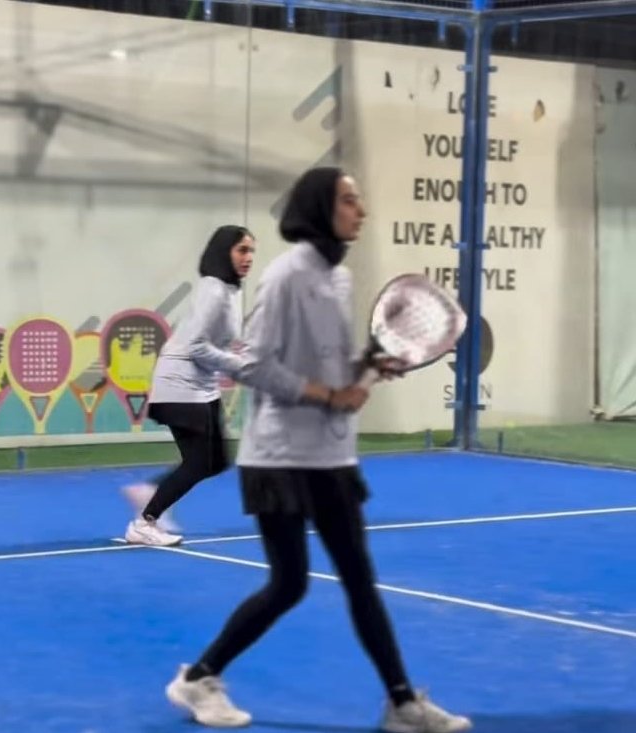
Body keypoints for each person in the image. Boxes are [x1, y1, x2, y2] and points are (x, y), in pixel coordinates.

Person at [163, 168, 472, 732]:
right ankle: (198, 679)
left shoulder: (340, 278)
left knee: (358, 578)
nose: (362, 210)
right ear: (318, 208)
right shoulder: (285, 276)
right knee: (289, 584)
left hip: (331, 456)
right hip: (278, 458)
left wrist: (366, 367)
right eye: (350, 200)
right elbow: (254, 365)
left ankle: (402, 704)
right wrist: (328, 394)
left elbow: (324, 365)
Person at [122, 225, 255, 547]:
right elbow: (195, 346)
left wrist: (244, 360)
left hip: (203, 383)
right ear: (224, 251)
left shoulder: (230, 291)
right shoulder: (213, 289)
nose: (249, 257)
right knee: (198, 462)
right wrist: (237, 365)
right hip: (180, 384)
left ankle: (149, 491)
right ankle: (144, 522)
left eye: (252, 251)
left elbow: (220, 343)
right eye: (242, 250)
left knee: (216, 460)